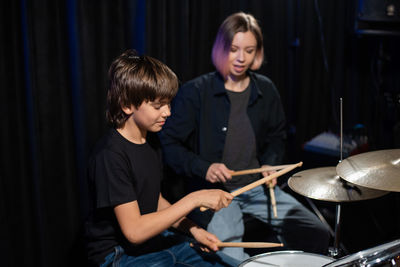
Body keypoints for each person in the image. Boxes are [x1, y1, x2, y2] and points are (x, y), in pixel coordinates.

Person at [159, 12, 331, 262]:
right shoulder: (196, 92)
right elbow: (168, 143)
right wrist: (204, 167)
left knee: (316, 232)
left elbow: (276, 136)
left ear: (257, 52)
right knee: (232, 257)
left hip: (258, 189)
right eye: (234, 49)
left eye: (249, 50)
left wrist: (270, 163)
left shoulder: (266, 90)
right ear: (221, 49)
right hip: (215, 193)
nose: (241, 58)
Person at [84, 49, 241, 267]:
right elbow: (135, 232)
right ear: (127, 105)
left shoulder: (151, 140)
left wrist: (194, 230)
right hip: (118, 255)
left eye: (168, 103)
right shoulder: (110, 155)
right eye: (158, 106)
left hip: (154, 242)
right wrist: (194, 199)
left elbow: (154, 200)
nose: (167, 112)